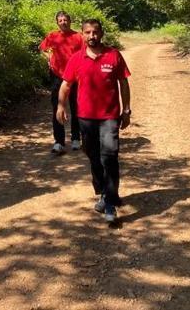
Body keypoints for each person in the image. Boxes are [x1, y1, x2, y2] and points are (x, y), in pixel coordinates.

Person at [56, 19, 131, 223]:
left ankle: (109, 201)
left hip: (109, 116)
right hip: (85, 117)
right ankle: (103, 191)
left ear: (101, 33)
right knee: (93, 156)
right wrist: (61, 106)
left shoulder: (113, 55)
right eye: (87, 32)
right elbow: (65, 85)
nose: (92, 36)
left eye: (95, 32)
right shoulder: (76, 58)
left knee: (110, 156)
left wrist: (126, 110)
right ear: (82, 35)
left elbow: (123, 83)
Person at [39, 11, 84, 154]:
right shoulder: (52, 35)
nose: (63, 22)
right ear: (57, 23)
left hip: (75, 77)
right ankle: (59, 141)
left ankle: (76, 138)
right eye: (60, 20)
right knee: (57, 108)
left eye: (65, 20)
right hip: (57, 76)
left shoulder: (78, 37)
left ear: (70, 21)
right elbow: (42, 49)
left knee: (76, 107)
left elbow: (85, 54)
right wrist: (48, 58)